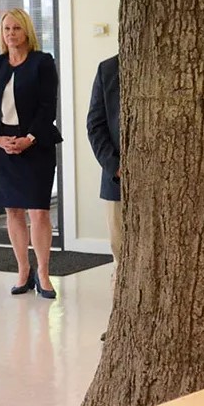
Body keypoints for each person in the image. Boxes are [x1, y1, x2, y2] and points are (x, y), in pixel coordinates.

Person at [0, 8, 62, 299]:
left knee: (38, 211)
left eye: (16, 28)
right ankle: (23, 271)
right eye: (6, 29)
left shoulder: (42, 62)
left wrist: (29, 139)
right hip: (3, 147)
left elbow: (47, 107)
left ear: (26, 31)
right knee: (13, 210)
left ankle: (44, 273)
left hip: (35, 145)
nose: (11, 33)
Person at [86, 54, 121, 263]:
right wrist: (114, 166)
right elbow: (95, 125)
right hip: (117, 180)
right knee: (121, 251)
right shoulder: (107, 69)